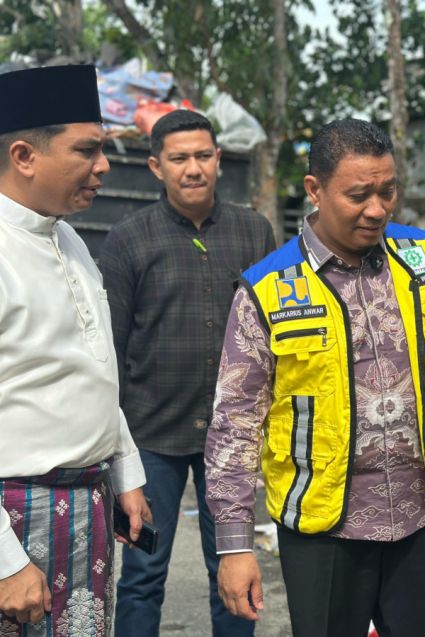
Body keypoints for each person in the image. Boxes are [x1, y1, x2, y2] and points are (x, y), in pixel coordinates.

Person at [205, 118, 425, 636]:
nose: (377, 208)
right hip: (325, 528)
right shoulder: (268, 291)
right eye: (358, 194)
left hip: (423, 518)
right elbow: (235, 426)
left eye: (387, 190)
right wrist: (235, 546)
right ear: (315, 189)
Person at [99, 108, 276, 636]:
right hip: (152, 436)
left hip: (234, 439)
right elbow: (112, 345)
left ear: (219, 160)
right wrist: (118, 447)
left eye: (203, 156)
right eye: (179, 159)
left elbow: (275, 333)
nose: (193, 168)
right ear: (157, 167)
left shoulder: (253, 231)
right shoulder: (129, 239)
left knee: (234, 570)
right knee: (143, 572)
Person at [0, 64, 150, 636]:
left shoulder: (70, 240)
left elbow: (92, 369)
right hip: (16, 521)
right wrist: (8, 563)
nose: (105, 166)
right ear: (24, 156)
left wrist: (124, 469)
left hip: (85, 510)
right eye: (87, 150)